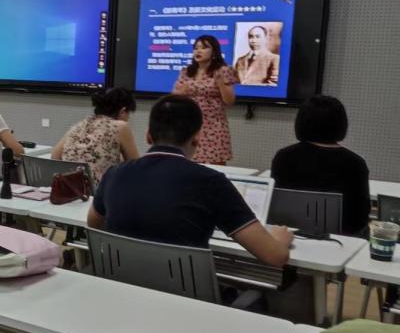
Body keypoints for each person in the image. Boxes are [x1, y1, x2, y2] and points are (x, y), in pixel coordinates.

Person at [88, 94, 291, 267]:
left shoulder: (114, 174)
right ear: (197, 138)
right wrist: (280, 239)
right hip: (183, 298)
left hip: (122, 290)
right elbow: (274, 256)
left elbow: (93, 223)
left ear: (148, 136)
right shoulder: (211, 182)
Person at [271, 95, 370, 237]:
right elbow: (361, 217)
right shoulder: (355, 163)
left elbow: (274, 204)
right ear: (341, 124)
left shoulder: (283, 157)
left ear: (301, 122)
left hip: (289, 235)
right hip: (340, 240)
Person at [51, 87, 139, 183]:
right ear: (123, 111)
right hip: (100, 189)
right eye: (128, 115)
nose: (128, 118)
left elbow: (55, 156)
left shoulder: (80, 125)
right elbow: (136, 166)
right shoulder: (120, 126)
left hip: (70, 187)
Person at [172, 35, 237, 165]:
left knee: (215, 166)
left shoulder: (223, 70)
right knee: (186, 164)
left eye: (204, 48)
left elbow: (230, 101)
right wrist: (181, 93)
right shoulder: (186, 71)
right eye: (196, 48)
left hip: (213, 127)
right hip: (189, 126)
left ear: (214, 51)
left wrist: (221, 83)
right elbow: (174, 95)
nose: (198, 51)